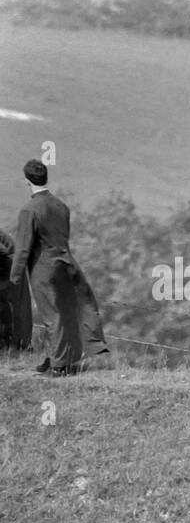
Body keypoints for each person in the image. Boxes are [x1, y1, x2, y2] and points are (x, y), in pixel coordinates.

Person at [8, 160, 83, 375]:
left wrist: (15, 276)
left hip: (43, 268)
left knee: (51, 316)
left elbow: (23, 247)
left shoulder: (29, 210)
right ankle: (60, 357)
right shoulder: (61, 206)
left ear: (27, 181)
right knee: (64, 312)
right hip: (64, 264)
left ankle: (60, 366)